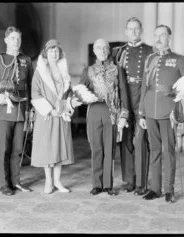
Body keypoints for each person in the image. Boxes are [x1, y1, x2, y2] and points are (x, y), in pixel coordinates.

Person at [139, 25, 184, 203]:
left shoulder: (179, 59)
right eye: (156, 35)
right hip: (150, 110)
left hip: (168, 111)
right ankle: (155, 189)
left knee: (168, 151)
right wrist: (142, 113)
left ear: (169, 38)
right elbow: (145, 86)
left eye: (162, 35)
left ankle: (169, 189)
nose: (158, 39)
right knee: (155, 150)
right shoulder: (149, 59)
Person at [0, 26, 34, 196]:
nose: (16, 41)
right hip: (3, 109)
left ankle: (16, 181)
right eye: (13, 38)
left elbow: (30, 87)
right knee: (3, 148)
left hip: (21, 110)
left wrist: (30, 109)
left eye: (18, 38)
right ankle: (3, 184)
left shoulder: (26, 60)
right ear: (6, 40)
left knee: (18, 149)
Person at [30, 39, 82, 194]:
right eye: (51, 50)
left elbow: (69, 93)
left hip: (61, 115)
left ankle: (58, 181)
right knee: (47, 148)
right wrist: (49, 110)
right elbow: (35, 93)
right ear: (46, 53)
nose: (54, 53)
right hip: (47, 116)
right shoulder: (39, 72)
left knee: (60, 147)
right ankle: (48, 181)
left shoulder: (63, 71)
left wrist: (68, 106)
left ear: (60, 53)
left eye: (56, 50)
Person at [79, 38, 129, 196]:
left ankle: (108, 184)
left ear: (108, 50)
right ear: (94, 51)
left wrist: (124, 114)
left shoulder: (117, 69)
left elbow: (123, 92)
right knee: (96, 148)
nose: (102, 50)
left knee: (110, 148)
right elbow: (80, 91)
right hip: (94, 110)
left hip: (112, 112)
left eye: (105, 48)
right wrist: (79, 98)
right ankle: (96, 184)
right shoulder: (88, 70)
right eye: (98, 48)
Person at [112, 17, 152, 195]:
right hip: (125, 97)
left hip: (142, 98)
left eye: (137, 28)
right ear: (126, 31)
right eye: (130, 29)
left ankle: (142, 182)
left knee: (141, 140)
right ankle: (130, 180)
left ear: (141, 30)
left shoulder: (150, 51)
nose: (134, 31)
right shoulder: (119, 52)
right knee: (126, 140)